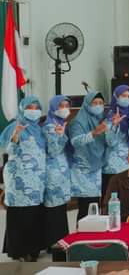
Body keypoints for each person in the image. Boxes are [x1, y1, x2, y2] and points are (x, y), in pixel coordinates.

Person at [0, 97, 46, 261]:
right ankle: (19, 251)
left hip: (37, 179)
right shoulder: (15, 126)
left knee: (34, 214)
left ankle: (33, 249)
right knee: (19, 214)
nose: (33, 111)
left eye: (36, 107)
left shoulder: (39, 129)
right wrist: (16, 136)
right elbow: (9, 151)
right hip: (18, 178)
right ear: (22, 109)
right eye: (29, 107)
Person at [69, 91, 107, 221]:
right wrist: (93, 133)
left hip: (98, 165)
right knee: (86, 207)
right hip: (83, 168)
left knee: (95, 205)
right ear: (87, 104)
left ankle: (94, 232)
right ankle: (82, 232)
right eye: (94, 103)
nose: (98, 106)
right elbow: (75, 141)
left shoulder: (101, 120)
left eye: (101, 103)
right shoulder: (78, 121)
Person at [43, 95, 72, 251]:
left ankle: (61, 241)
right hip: (52, 172)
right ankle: (54, 244)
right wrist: (60, 135)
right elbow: (53, 151)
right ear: (54, 107)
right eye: (61, 105)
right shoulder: (50, 126)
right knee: (54, 209)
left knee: (60, 209)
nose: (65, 109)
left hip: (60, 171)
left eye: (67, 105)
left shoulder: (59, 123)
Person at [102, 85, 129, 197]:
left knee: (127, 201)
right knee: (111, 202)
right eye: (123, 95)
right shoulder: (109, 118)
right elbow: (110, 142)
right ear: (116, 97)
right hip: (112, 167)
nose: (127, 98)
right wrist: (115, 125)